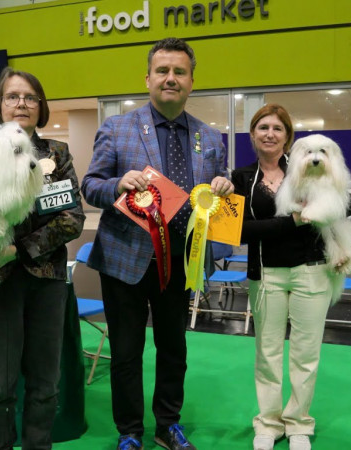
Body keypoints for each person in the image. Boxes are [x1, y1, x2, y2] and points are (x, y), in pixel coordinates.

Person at [81, 37, 234, 450]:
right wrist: (118, 184)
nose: (171, 78)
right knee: (126, 353)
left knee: (173, 350)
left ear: (191, 81)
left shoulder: (210, 137)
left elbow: (217, 194)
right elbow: (90, 186)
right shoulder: (117, 128)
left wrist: (224, 185)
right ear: (147, 78)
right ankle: (130, 432)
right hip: (125, 262)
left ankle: (168, 425)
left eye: (179, 72)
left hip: (181, 262)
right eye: (162, 71)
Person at [0, 67, 85, 450]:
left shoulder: (57, 153)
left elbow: (72, 219)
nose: (21, 103)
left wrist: (18, 249)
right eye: (12, 96)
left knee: (45, 384)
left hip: (47, 282)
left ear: (41, 107)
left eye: (30, 97)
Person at [231, 104, 332, 450]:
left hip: (311, 271)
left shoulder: (309, 167)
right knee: (267, 352)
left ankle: (299, 422)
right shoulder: (241, 178)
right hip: (266, 275)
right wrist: (294, 221)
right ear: (252, 135)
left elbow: (344, 204)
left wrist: (308, 216)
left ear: (288, 136)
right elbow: (240, 231)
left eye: (277, 128)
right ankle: (268, 423)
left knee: (306, 353)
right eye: (263, 128)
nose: (270, 134)